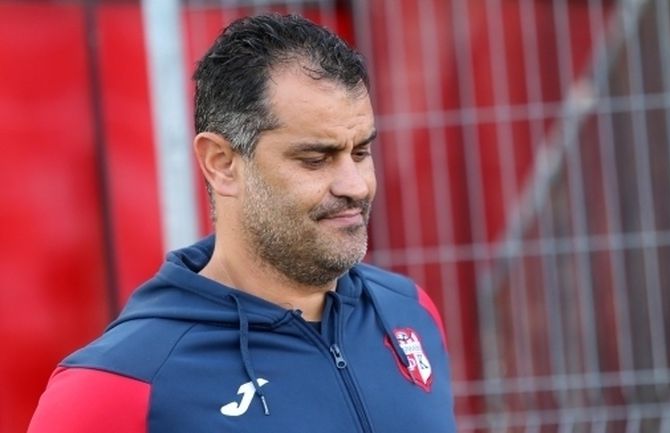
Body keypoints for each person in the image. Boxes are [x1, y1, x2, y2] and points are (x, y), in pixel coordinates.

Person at [27, 13, 457, 433]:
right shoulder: (117, 385)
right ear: (222, 163)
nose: (355, 185)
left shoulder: (408, 311)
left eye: (360, 153)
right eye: (315, 159)